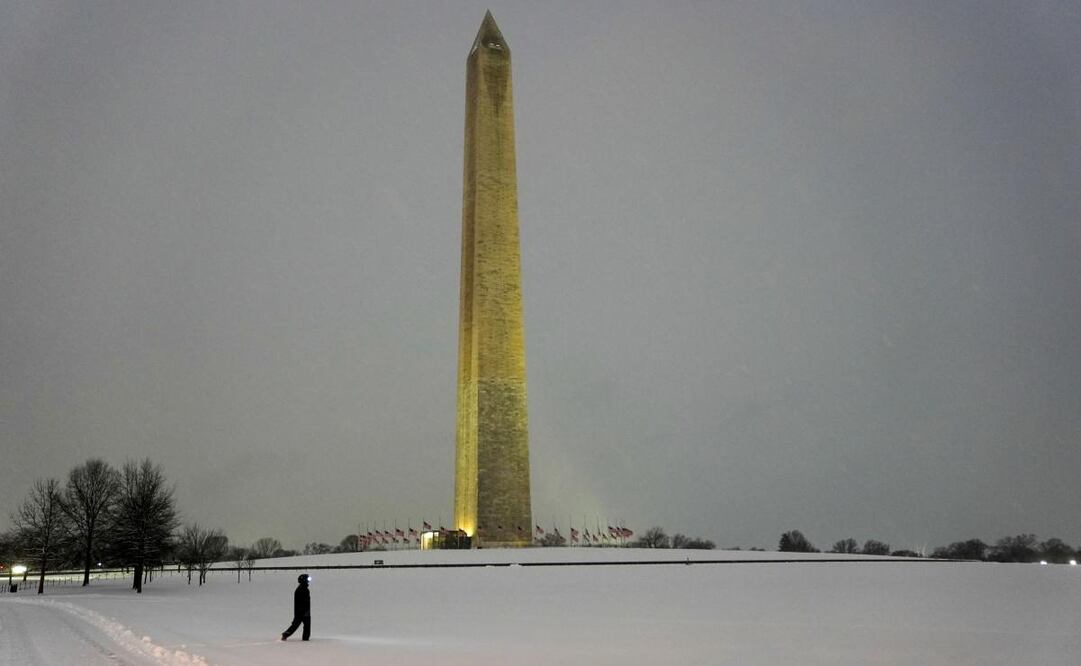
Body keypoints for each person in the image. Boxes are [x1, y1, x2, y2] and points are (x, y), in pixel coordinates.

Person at [281, 573, 311, 641]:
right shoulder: (300, 590)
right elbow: (300, 602)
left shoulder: (305, 589)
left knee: (307, 626)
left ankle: (306, 639)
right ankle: (285, 634)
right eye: (307, 579)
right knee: (295, 625)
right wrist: (303, 611)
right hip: (300, 612)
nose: (308, 581)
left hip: (306, 611)